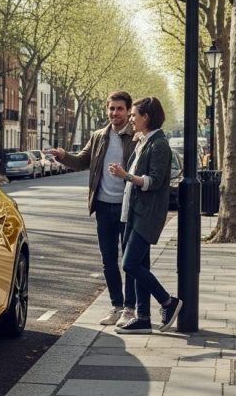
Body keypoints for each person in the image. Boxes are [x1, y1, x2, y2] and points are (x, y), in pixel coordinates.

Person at [51, 91, 138, 327]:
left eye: (120, 109)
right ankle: (116, 306)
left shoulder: (136, 137)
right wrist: (63, 156)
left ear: (128, 110)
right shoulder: (99, 136)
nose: (115, 113)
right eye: (111, 108)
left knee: (129, 261)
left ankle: (130, 309)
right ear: (106, 110)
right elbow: (81, 161)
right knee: (108, 260)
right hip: (102, 206)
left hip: (128, 207)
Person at [109, 96, 182, 334]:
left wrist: (125, 176)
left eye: (134, 115)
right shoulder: (144, 141)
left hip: (147, 214)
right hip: (134, 212)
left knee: (129, 264)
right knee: (140, 264)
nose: (131, 119)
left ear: (146, 117)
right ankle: (143, 318)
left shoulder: (159, 144)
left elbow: (154, 181)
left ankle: (168, 302)